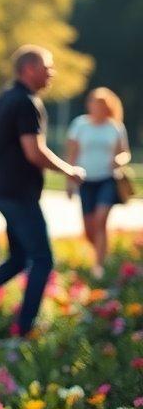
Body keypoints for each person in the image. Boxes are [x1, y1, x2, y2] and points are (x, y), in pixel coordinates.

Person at [0, 46, 85, 344]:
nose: (52, 72)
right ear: (29, 69)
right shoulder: (25, 102)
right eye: (47, 66)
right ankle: (24, 331)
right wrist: (69, 170)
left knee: (20, 258)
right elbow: (33, 152)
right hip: (19, 193)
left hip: (5, 190)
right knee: (43, 259)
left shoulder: (7, 98)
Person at [65, 87, 130, 279]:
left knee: (101, 220)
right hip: (85, 179)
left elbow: (124, 152)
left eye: (101, 104)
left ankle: (99, 266)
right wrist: (69, 182)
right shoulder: (79, 125)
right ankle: (103, 252)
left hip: (107, 178)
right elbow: (71, 154)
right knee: (89, 228)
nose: (97, 107)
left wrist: (120, 160)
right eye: (94, 103)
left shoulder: (115, 127)